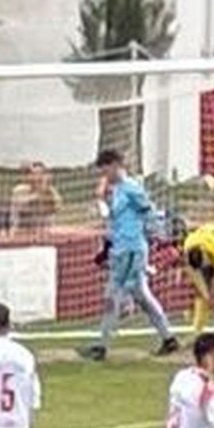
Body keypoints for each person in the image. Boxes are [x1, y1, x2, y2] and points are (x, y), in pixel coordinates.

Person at [77, 149, 179, 362]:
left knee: (113, 294)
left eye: (105, 170)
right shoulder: (118, 190)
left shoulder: (131, 188)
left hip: (131, 249)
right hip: (123, 248)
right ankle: (168, 338)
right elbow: (117, 220)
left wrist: (158, 238)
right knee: (141, 295)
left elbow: (148, 211)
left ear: (115, 165)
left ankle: (101, 346)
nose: (104, 175)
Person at [10, 162, 63, 233]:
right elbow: (22, 206)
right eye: (33, 174)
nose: (36, 177)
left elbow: (57, 207)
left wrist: (46, 189)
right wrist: (40, 193)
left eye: (40, 174)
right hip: (22, 233)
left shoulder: (51, 192)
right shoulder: (19, 190)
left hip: (44, 233)